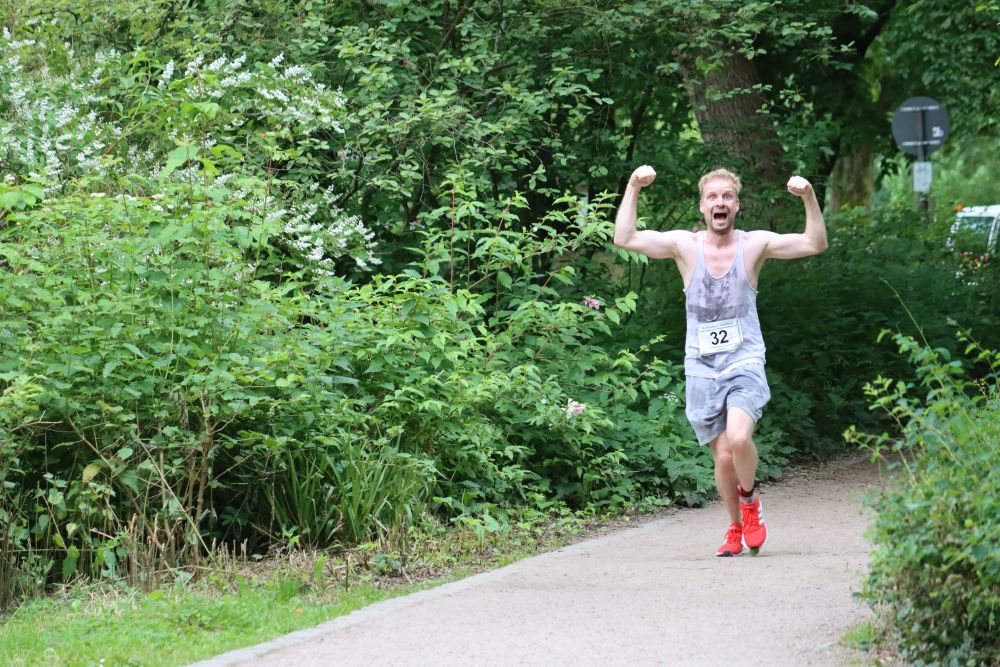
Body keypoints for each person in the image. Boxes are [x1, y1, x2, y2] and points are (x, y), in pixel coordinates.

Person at [613, 166, 827, 556]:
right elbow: (624, 237)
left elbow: (815, 243)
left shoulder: (753, 245)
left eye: (727, 196)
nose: (720, 202)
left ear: (737, 205)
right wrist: (632, 186)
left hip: (744, 360)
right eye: (713, 196)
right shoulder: (685, 246)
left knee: (740, 438)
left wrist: (809, 196)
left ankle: (750, 501)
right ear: (703, 206)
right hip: (701, 366)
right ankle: (734, 527)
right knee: (724, 456)